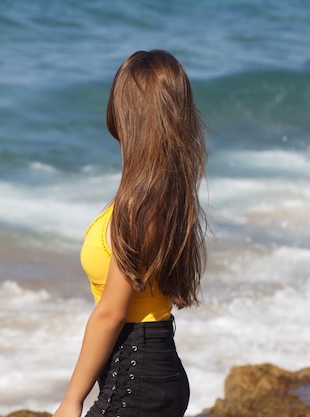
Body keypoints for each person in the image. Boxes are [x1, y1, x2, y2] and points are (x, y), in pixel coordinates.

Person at [53, 50, 206, 417]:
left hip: (136, 381)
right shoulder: (166, 193)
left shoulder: (140, 206)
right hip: (158, 370)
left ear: (125, 114)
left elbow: (111, 313)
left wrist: (72, 400)